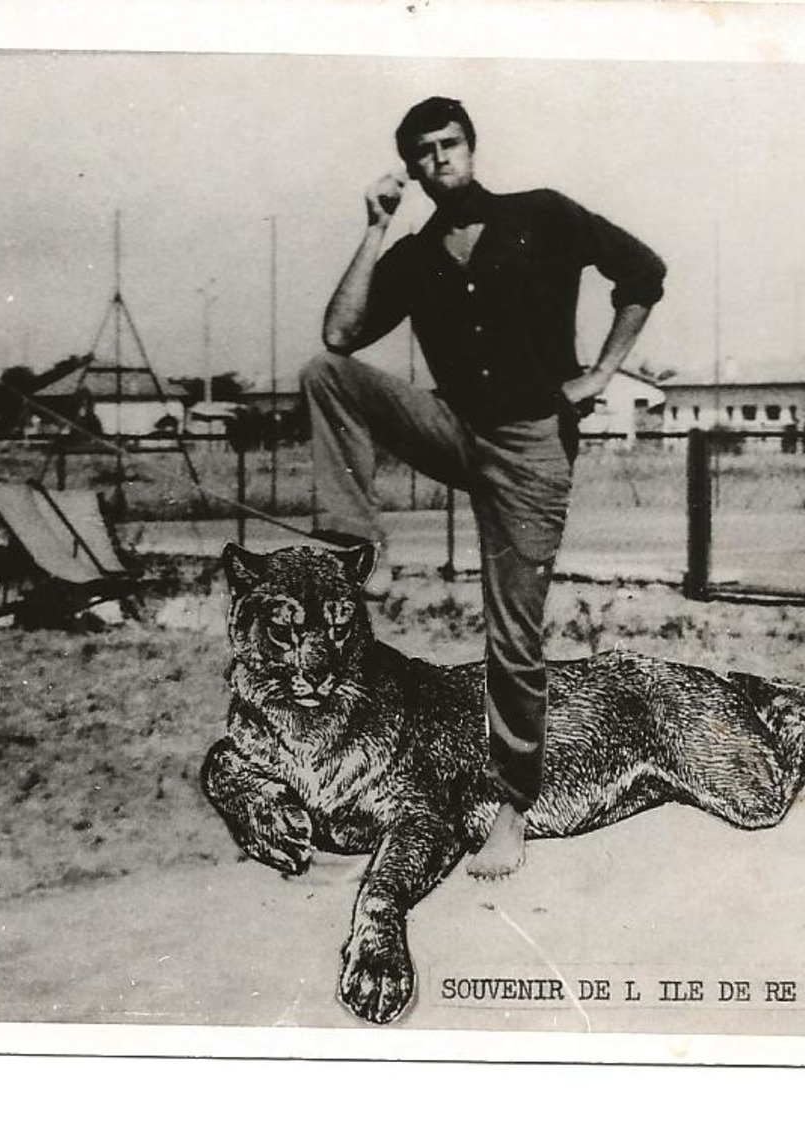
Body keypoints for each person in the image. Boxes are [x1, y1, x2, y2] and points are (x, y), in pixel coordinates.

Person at [300, 96, 665, 878]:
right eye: (424, 152)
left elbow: (643, 273)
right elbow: (340, 335)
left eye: (451, 144)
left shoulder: (543, 215)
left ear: (472, 147)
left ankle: (511, 809)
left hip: (531, 445)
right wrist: (373, 228)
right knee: (324, 373)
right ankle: (354, 541)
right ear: (412, 169)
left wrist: (599, 374)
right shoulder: (413, 254)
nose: (441, 160)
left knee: (513, 635)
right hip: (455, 428)